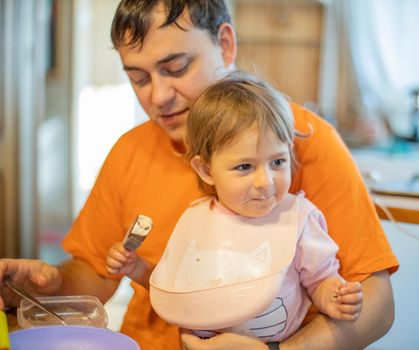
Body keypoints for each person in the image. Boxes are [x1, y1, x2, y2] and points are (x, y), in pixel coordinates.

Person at [0, 1, 399, 349]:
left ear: (225, 44)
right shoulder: (131, 150)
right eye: (138, 78)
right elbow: (97, 274)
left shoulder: (296, 142)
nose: (157, 97)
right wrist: (48, 284)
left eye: (176, 67)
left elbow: (377, 306)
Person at [106, 75, 363, 343]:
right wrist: (137, 269)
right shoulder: (196, 218)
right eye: (245, 167)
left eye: (277, 161)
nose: (265, 182)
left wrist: (335, 296)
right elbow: (176, 287)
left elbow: (320, 279)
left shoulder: (298, 218)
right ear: (206, 170)